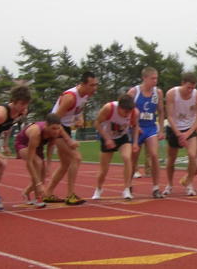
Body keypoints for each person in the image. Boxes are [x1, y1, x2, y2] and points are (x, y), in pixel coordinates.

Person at [43, 72, 97, 205]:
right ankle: (70, 195)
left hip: (65, 127)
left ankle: (47, 193)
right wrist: (68, 140)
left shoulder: (85, 96)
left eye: (96, 85)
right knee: (76, 158)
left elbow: (79, 111)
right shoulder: (70, 97)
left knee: (65, 164)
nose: (95, 88)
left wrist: (80, 119)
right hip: (56, 128)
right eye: (92, 85)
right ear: (83, 84)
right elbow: (55, 121)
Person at [92, 94, 140, 200]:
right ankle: (99, 188)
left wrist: (135, 142)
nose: (127, 114)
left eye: (129, 112)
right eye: (125, 112)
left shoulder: (134, 112)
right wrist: (107, 139)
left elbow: (136, 126)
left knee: (127, 158)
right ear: (119, 107)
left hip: (123, 138)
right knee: (104, 169)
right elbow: (96, 123)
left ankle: (127, 189)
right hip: (107, 136)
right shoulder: (109, 108)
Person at [127, 67, 165, 198]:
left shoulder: (158, 93)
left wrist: (161, 129)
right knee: (133, 159)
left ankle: (156, 188)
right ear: (144, 78)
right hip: (136, 128)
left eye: (157, 78)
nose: (155, 81)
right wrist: (133, 126)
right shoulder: (134, 92)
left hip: (150, 128)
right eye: (152, 78)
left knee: (154, 155)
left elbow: (161, 111)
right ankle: (128, 185)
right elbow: (126, 110)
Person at [164, 73, 197, 196]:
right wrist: (178, 134)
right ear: (182, 84)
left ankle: (189, 183)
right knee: (171, 159)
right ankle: (169, 184)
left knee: (193, 156)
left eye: (192, 88)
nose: (190, 91)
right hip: (173, 128)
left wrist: (188, 133)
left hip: (189, 129)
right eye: (188, 87)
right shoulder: (171, 94)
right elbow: (169, 116)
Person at [15, 114, 65, 209]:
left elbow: (50, 147)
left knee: (42, 177)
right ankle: (38, 197)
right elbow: (29, 162)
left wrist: (48, 166)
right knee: (38, 163)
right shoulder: (36, 132)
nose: (56, 131)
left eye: (58, 128)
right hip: (23, 144)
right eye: (53, 129)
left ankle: (26, 192)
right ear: (46, 125)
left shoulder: (57, 132)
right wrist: (38, 185)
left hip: (38, 147)